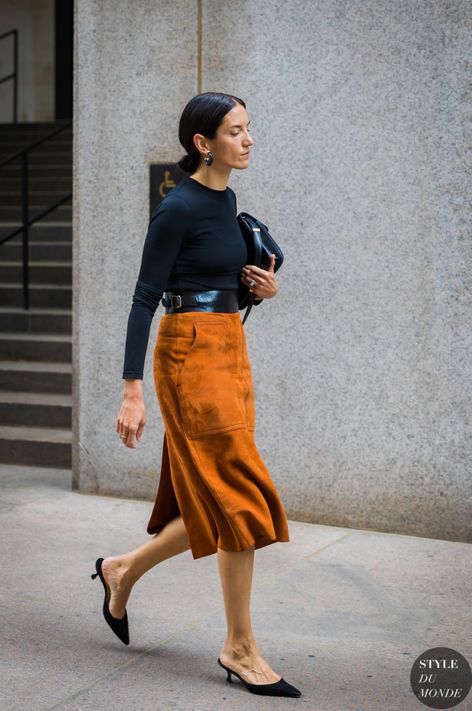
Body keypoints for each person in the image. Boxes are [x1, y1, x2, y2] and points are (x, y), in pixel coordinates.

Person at [91, 92, 302, 698]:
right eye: (236, 132)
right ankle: (239, 647)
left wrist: (256, 291)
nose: (249, 139)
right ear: (203, 144)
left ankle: (121, 570)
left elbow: (211, 281)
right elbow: (144, 298)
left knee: (217, 494)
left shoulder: (227, 198)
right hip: (187, 356)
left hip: (229, 350)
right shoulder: (178, 207)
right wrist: (132, 392)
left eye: (249, 129)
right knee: (240, 494)